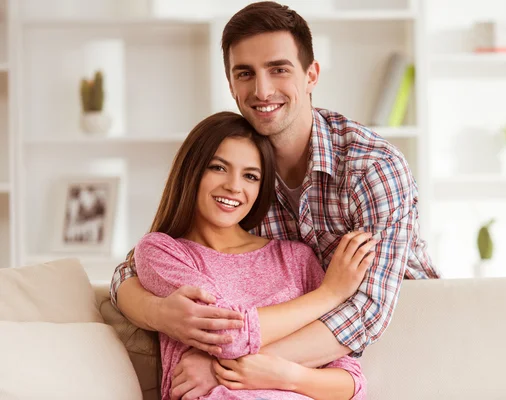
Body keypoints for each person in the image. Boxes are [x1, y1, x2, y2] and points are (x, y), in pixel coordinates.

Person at [110, 0, 441, 396]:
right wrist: (160, 313)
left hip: (398, 334)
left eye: (278, 69)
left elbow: (366, 311)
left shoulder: (371, 169)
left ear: (311, 75)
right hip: (287, 349)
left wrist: (224, 368)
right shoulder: (241, 179)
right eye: (245, 73)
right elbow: (130, 270)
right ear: (230, 85)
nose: (261, 90)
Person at [134, 111, 370, 399]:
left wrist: (287, 376)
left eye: (250, 176)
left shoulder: (297, 259)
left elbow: (350, 383)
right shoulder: (162, 252)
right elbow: (226, 335)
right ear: (191, 171)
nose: (234, 186)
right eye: (218, 168)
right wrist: (329, 294)